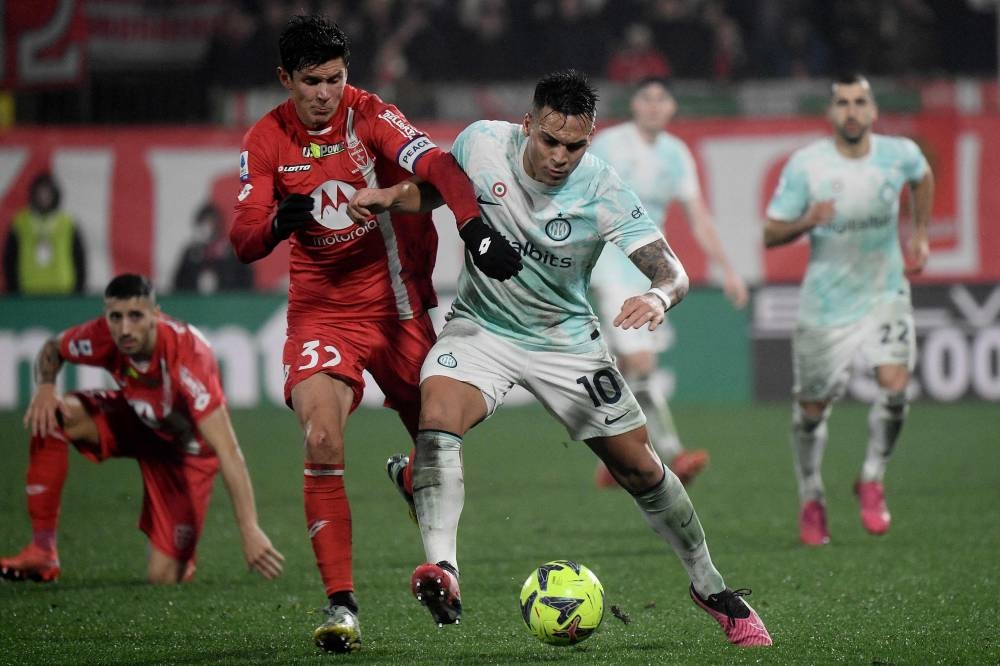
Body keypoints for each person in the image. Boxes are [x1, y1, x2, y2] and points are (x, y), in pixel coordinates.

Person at [351, 69, 772, 648]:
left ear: (589, 140)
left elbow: (670, 270)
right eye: (549, 140)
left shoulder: (602, 190)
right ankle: (444, 569)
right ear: (528, 124)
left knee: (641, 469)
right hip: (482, 327)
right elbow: (442, 191)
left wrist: (655, 296)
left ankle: (709, 585)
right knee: (437, 416)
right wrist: (393, 197)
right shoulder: (482, 143)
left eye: (574, 145)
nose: (559, 156)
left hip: (564, 341)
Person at [228, 14, 520, 654]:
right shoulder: (264, 140)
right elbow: (244, 240)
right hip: (323, 313)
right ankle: (342, 607)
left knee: (444, 438)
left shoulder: (371, 116)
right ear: (286, 79)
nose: (326, 93)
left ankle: (420, 494)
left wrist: (474, 228)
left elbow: (441, 168)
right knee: (323, 435)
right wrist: (279, 221)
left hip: (400, 311)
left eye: (335, 78)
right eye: (311, 82)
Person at [0, 274, 284, 585]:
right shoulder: (103, 336)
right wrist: (45, 387)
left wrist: (250, 528)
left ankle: (180, 558)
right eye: (116, 317)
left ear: (155, 315)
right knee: (52, 413)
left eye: (135, 316)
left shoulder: (189, 355)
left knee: (163, 579)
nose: (124, 328)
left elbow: (228, 450)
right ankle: (43, 550)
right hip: (137, 422)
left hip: (185, 455)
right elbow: (53, 349)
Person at [763, 74, 933, 546]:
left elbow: (922, 177)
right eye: (843, 103)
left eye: (860, 102)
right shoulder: (807, 166)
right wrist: (807, 221)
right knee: (813, 410)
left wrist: (919, 234)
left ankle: (873, 477)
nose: (852, 110)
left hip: (885, 292)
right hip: (826, 303)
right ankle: (812, 496)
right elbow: (770, 233)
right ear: (831, 112)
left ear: (873, 111)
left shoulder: (898, 154)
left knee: (896, 387)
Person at [589, 76, 749, 489]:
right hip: (607, 263)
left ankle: (614, 457)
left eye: (663, 99)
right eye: (647, 98)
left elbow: (698, 217)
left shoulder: (676, 154)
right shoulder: (609, 144)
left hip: (649, 268)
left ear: (672, 107)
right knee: (642, 365)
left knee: (627, 369)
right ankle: (673, 453)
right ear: (635, 105)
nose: (655, 106)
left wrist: (727, 269)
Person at [3, 172, 87, 295]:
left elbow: (79, 258)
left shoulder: (68, 223)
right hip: (28, 291)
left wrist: (78, 290)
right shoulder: (20, 222)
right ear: (33, 195)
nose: (43, 197)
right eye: (40, 193)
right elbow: (9, 259)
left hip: (63, 290)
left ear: (55, 195)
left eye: (47, 193)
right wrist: (13, 289)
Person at [173, 202, 254, 293]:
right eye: (203, 223)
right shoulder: (191, 254)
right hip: (196, 304)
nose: (207, 228)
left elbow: (246, 283)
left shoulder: (232, 252)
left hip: (227, 303)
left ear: (219, 225)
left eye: (211, 223)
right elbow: (178, 285)